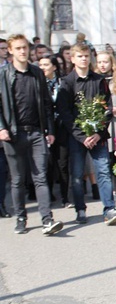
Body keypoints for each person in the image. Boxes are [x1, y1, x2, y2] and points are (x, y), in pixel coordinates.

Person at [0, 34, 62, 235]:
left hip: (36, 132)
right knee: (17, 179)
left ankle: (47, 219)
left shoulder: (36, 73)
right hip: (13, 134)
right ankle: (21, 217)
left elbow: (46, 103)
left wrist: (49, 130)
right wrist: (2, 128)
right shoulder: (4, 74)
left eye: (25, 48)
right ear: (10, 50)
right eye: (18, 48)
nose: (22, 51)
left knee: (41, 177)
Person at [57, 42, 116, 226]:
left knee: (103, 171)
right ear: (73, 59)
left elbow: (107, 108)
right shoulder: (67, 82)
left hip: (98, 136)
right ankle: (80, 209)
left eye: (87, 56)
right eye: (80, 56)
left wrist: (98, 133)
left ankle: (109, 209)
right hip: (77, 138)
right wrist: (81, 136)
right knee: (78, 174)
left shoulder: (99, 80)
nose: (84, 59)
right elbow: (65, 112)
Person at [39, 53, 70, 209]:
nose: (43, 68)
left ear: (54, 67)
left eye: (46, 65)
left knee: (62, 163)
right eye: (41, 65)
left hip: (62, 128)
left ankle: (65, 196)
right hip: (45, 128)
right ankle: (49, 194)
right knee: (47, 164)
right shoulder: (38, 83)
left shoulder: (62, 83)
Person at [96, 51, 116, 208]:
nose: (102, 65)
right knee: (103, 161)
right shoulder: (95, 80)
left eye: (105, 61)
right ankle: (107, 196)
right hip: (102, 125)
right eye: (99, 62)